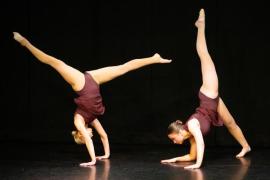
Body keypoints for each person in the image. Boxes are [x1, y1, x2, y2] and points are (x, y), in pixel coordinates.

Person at [13, 32, 172, 166]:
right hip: (93, 80)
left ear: (81, 135)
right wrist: (106, 155)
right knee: (123, 69)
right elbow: (104, 136)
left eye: (87, 136)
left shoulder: (78, 121)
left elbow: (89, 141)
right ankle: (153, 59)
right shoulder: (92, 119)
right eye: (89, 136)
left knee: (55, 63)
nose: (91, 136)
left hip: (81, 83)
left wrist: (92, 160)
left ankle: (25, 43)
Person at [161, 9, 251, 169]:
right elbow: (192, 155)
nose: (173, 141)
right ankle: (246, 146)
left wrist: (197, 165)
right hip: (212, 104)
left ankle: (200, 25)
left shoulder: (193, 126)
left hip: (208, 94)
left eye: (173, 138)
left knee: (204, 54)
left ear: (180, 132)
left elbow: (201, 147)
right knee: (230, 123)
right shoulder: (191, 137)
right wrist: (174, 159)